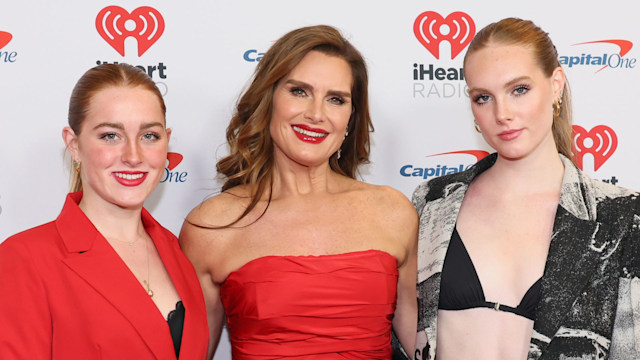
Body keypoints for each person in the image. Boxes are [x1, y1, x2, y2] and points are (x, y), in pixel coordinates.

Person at [180, 25, 418, 359]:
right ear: (269, 99)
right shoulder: (212, 226)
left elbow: (425, 345)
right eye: (299, 91)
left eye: (335, 99)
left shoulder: (393, 212)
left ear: (351, 118)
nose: (316, 114)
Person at [410, 17, 640, 360]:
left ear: (556, 84)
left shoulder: (620, 215)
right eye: (483, 97)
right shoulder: (433, 201)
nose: (502, 113)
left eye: (519, 89)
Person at [0, 63, 209, 359]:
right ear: (74, 145)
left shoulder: (177, 251)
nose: (133, 156)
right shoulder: (26, 259)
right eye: (111, 135)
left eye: (149, 135)